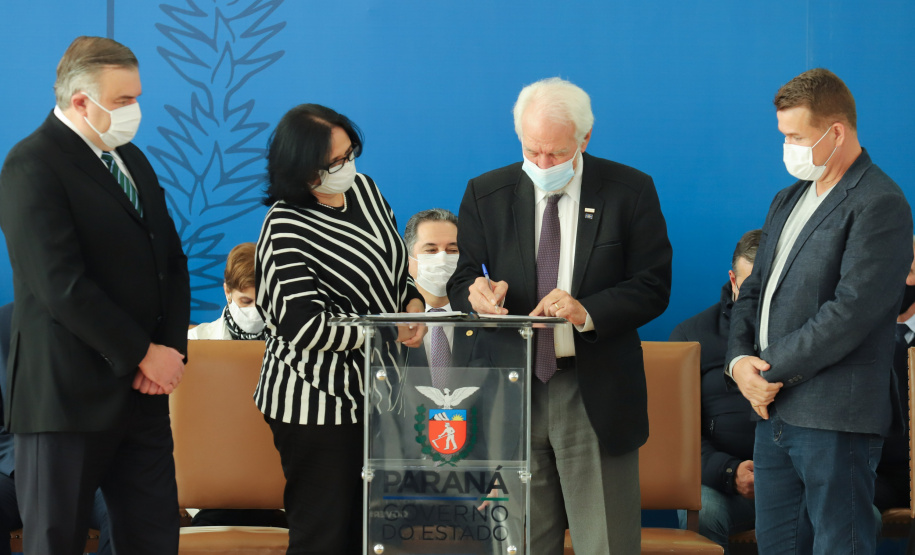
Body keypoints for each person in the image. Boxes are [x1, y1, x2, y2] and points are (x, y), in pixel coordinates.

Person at [448, 77, 673, 554]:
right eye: (532, 151)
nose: (542, 164)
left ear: (584, 140)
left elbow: (653, 286)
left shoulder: (629, 190)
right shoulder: (486, 192)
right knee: (521, 543)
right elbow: (462, 275)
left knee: (605, 542)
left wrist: (588, 309)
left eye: (554, 153)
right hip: (513, 389)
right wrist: (477, 294)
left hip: (593, 388)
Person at [0, 36, 190, 554]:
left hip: (143, 395)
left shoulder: (132, 160)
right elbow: (60, 284)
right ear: (81, 101)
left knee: (153, 537)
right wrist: (142, 353)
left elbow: (169, 262)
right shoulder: (31, 164)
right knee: (55, 539)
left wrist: (169, 351)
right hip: (66, 399)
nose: (135, 111)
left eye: (137, 97)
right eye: (124, 100)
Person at [726, 68, 913, 554]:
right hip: (772, 413)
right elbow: (753, 290)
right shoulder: (786, 199)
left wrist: (767, 370)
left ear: (836, 132)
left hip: (835, 416)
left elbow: (850, 312)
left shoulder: (880, 202)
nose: (787, 147)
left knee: (841, 545)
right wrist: (739, 362)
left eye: (796, 136)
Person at [254, 103, 424, 554]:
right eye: (333, 163)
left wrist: (412, 301)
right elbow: (303, 326)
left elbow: (393, 271)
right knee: (323, 536)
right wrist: (387, 330)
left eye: (350, 153)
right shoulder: (284, 223)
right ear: (300, 167)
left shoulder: (366, 190)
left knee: (369, 536)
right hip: (314, 401)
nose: (347, 167)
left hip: (378, 395)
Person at [670, 230, 761, 552]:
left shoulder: (809, 333)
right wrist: (728, 471)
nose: (758, 297)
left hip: (795, 481)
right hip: (718, 483)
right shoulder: (691, 335)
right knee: (705, 511)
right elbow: (675, 432)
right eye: (750, 286)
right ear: (733, 279)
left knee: (848, 514)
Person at [185, 244, 285, 527]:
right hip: (211, 487)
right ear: (227, 291)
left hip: (278, 486)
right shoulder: (195, 345)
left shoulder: (294, 349)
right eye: (245, 301)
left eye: (262, 302)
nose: (254, 312)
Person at [0, 303, 113, 554]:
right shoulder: (4, 323)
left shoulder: (116, 323)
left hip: (99, 470)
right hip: (18, 467)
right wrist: (28, 463)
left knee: (127, 512)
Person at [403, 208, 460, 378]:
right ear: (408, 261)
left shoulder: (480, 319)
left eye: (452, 250)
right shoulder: (394, 317)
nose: (442, 259)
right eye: (431, 250)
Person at [188, 242, 266, 341]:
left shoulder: (290, 345)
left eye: (264, 302)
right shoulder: (195, 340)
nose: (256, 311)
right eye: (246, 301)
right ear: (227, 291)